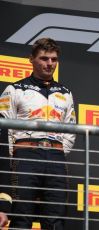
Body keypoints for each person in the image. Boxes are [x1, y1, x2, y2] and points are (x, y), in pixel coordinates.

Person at [0, 38, 76, 229]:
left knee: (55, 219)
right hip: (25, 155)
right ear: (31, 60)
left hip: (56, 158)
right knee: (21, 216)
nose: (49, 63)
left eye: (53, 59)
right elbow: (4, 129)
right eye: (44, 58)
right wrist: (16, 153)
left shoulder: (65, 92)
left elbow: (71, 130)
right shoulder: (15, 89)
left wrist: (55, 150)